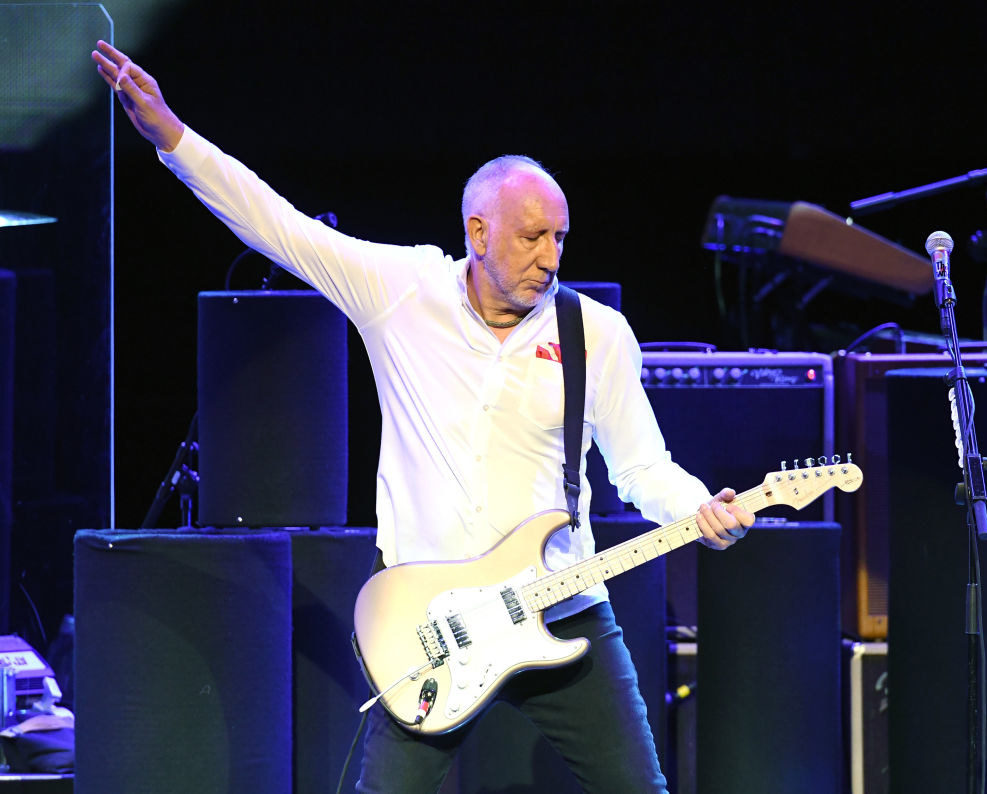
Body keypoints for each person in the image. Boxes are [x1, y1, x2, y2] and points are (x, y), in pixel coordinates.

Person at [92, 40, 755, 793]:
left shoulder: (595, 334)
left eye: (561, 237)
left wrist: (698, 506)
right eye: (532, 236)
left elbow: (641, 468)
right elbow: (277, 226)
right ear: (477, 233)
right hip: (430, 620)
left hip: (563, 610)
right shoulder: (404, 292)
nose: (551, 256)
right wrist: (173, 138)